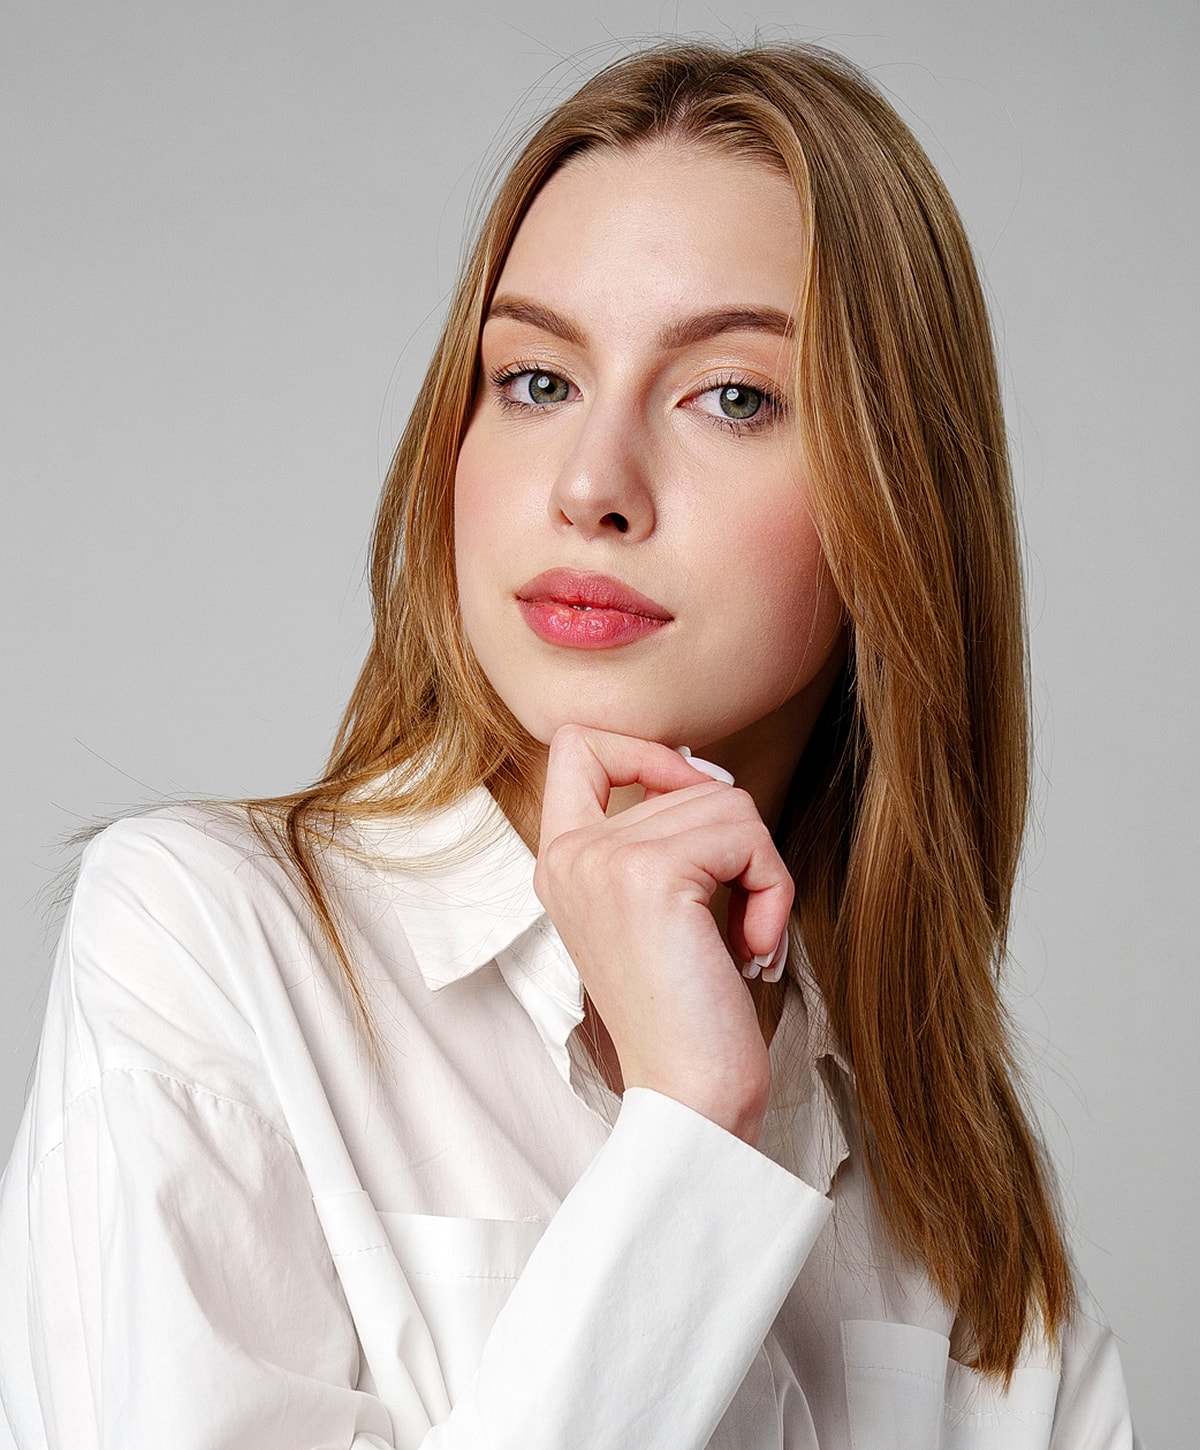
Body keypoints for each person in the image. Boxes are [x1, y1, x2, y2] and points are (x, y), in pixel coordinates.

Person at [0, 40, 1137, 1449]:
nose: (592, 484)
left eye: (732, 396)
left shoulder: (958, 1192)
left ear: (898, 502)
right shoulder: (212, 937)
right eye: (535, 379)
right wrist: (691, 1132)